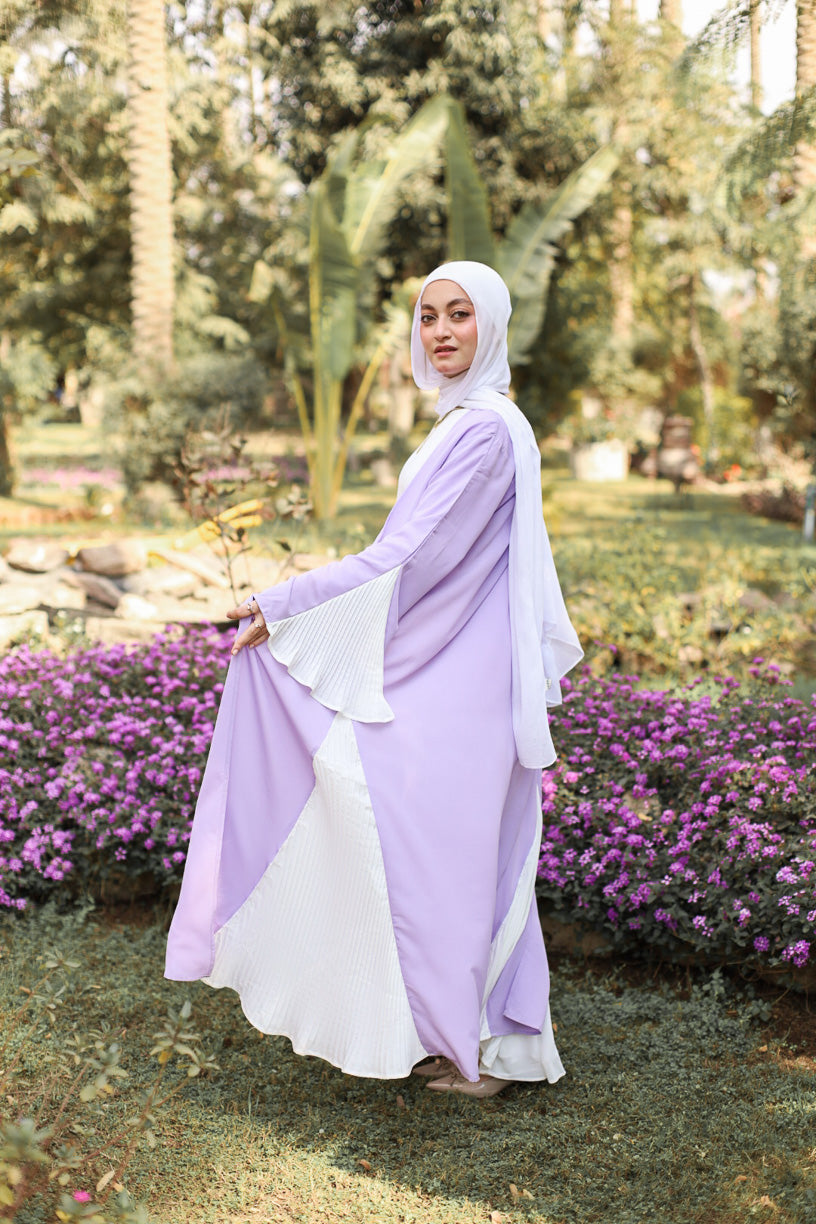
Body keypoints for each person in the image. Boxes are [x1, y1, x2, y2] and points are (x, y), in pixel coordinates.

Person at [165, 260, 582, 1098]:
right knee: (450, 856)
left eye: (459, 314)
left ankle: (482, 1047)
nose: (441, 331)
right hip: (453, 665)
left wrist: (286, 601)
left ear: (492, 324)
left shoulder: (484, 432)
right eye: (428, 316)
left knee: (440, 855)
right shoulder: (467, 422)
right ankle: (465, 1037)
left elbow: (411, 559)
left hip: (460, 681)